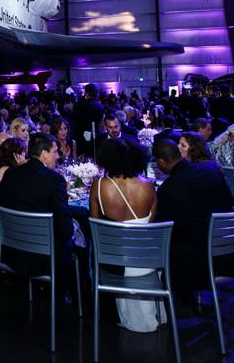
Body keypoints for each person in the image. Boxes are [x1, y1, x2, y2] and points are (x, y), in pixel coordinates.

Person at [90, 139, 164, 333]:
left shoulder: (99, 185)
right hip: (147, 261)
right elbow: (150, 223)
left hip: (114, 262)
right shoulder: (148, 185)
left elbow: (95, 226)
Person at [152, 137, 233, 296]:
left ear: (161, 162)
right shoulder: (211, 170)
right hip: (231, 247)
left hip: (198, 263)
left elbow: (162, 229)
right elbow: (228, 201)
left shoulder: (168, 189)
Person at [0, 133, 74, 281]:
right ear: (44, 154)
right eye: (55, 152)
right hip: (42, 258)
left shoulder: (10, 173)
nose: (58, 156)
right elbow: (65, 230)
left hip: (10, 252)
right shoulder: (55, 180)